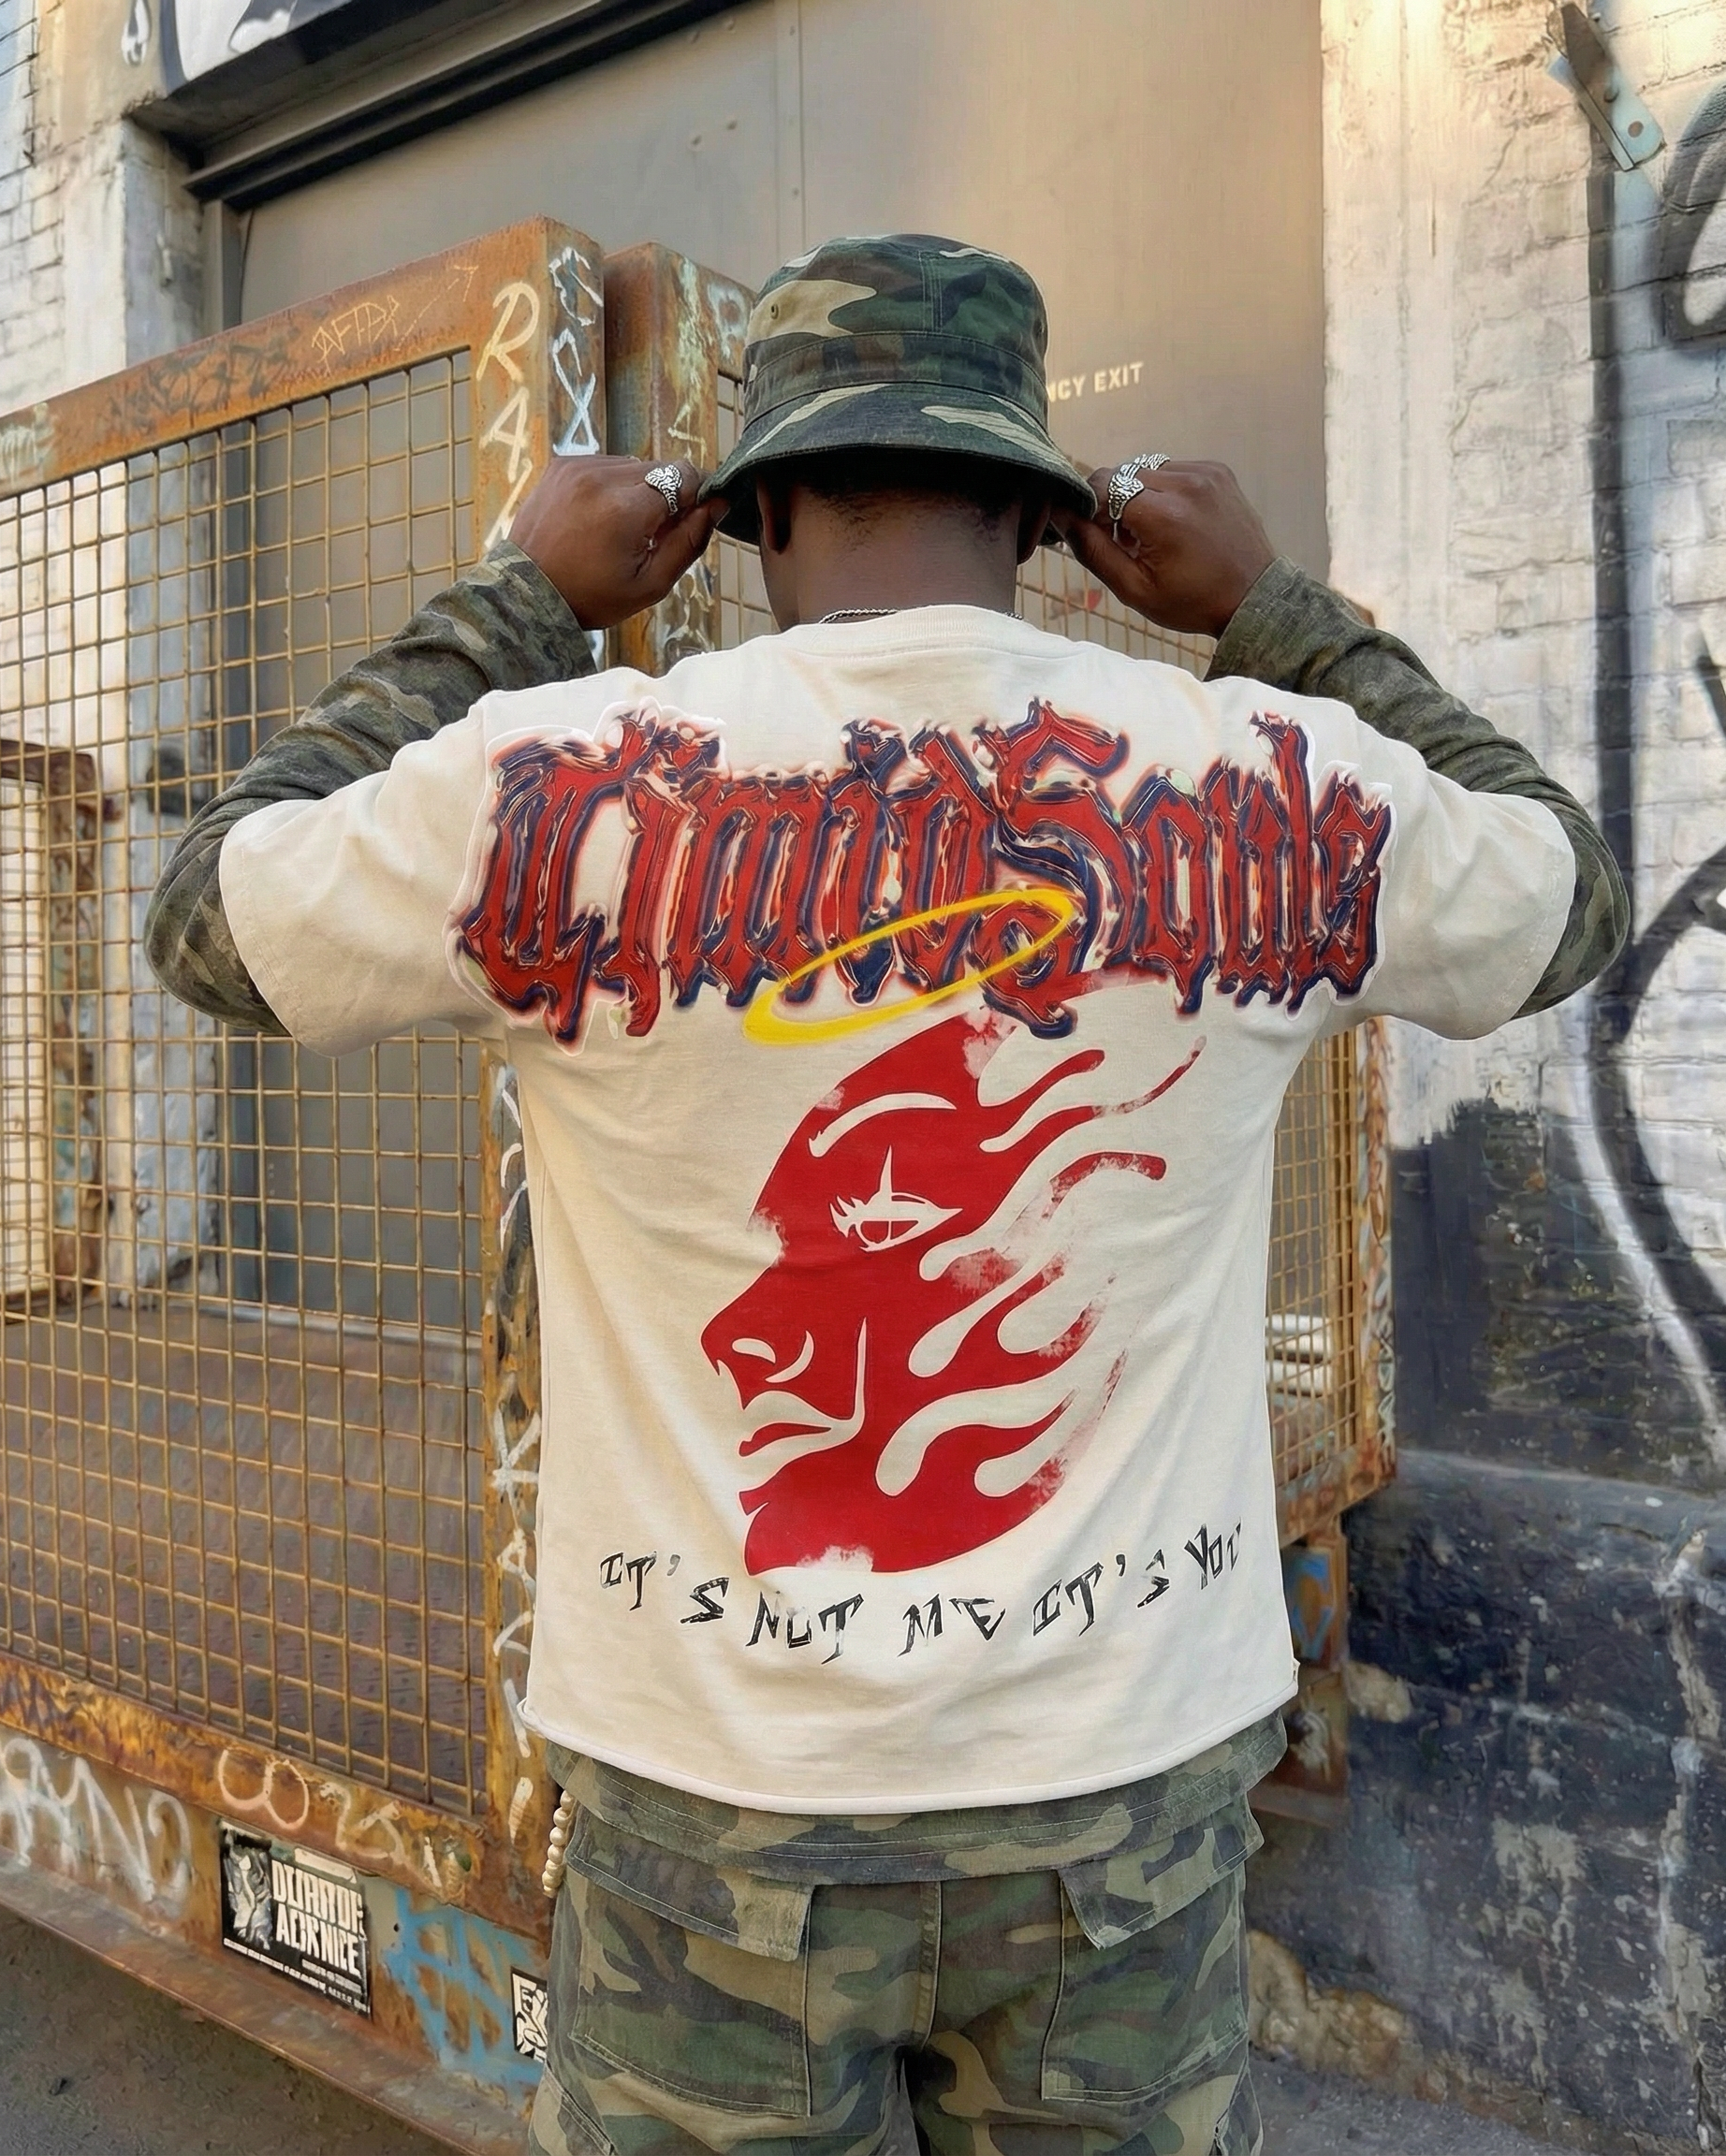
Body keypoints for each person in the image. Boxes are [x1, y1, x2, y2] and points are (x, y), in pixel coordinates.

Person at [146, 234, 1625, 2156]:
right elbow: (1562, 891)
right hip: (1127, 1792)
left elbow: (207, 913)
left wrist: (518, 601)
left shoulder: (553, 779)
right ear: (1043, 511)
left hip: (712, 1801)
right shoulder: (1271, 776)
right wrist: (1275, 613)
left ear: (748, 509)